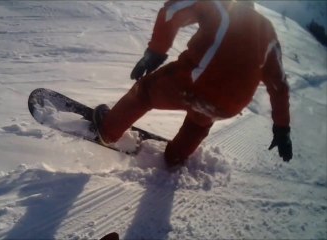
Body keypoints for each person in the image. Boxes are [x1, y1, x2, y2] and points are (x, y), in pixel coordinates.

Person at [93, 0, 293, 167]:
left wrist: (156, 51)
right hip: (229, 104)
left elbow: (172, 12)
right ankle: (175, 157)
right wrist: (282, 129)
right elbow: (279, 85)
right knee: (201, 119)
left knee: (145, 92)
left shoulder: (222, 4)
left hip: (193, 82)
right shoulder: (268, 33)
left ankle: (108, 132)